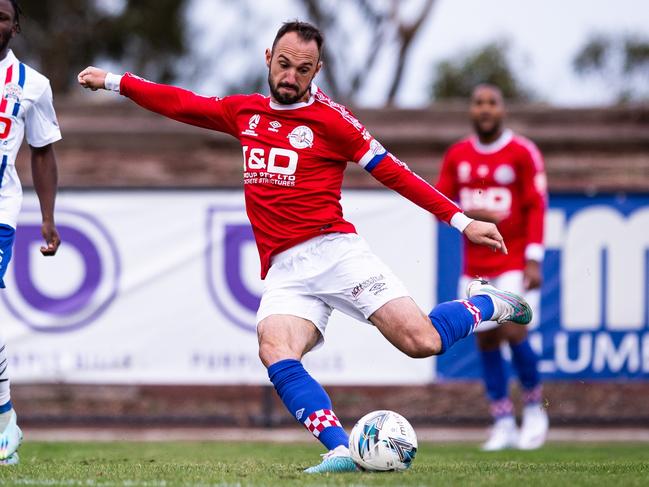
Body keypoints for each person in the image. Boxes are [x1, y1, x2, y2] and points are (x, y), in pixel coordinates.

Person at [78, 21, 532, 473]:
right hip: (285, 269)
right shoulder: (245, 113)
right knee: (274, 349)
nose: (290, 76)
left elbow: (394, 171)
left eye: (303, 68)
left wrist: (460, 220)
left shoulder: (333, 120)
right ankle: (339, 448)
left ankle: (486, 303)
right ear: (268, 58)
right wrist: (117, 81)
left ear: (318, 70)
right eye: (283, 64)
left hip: (335, 253)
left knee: (422, 342)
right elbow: (182, 103)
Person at [435, 84, 549, 451]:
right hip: (475, 267)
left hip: (513, 261)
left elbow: (536, 205)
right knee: (484, 337)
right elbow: (441, 201)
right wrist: (473, 215)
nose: (485, 109)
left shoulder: (522, 152)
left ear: (502, 110)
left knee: (515, 332)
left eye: (492, 103)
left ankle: (533, 408)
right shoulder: (458, 155)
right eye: (479, 103)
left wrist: (533, 258)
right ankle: (502, 419)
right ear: (472, 110)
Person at [0, 0, 62, 466]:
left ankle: (3, 425)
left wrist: (47, 217)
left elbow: (42, 152)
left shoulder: (32, 85)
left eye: (1, 15)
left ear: (15, 26)